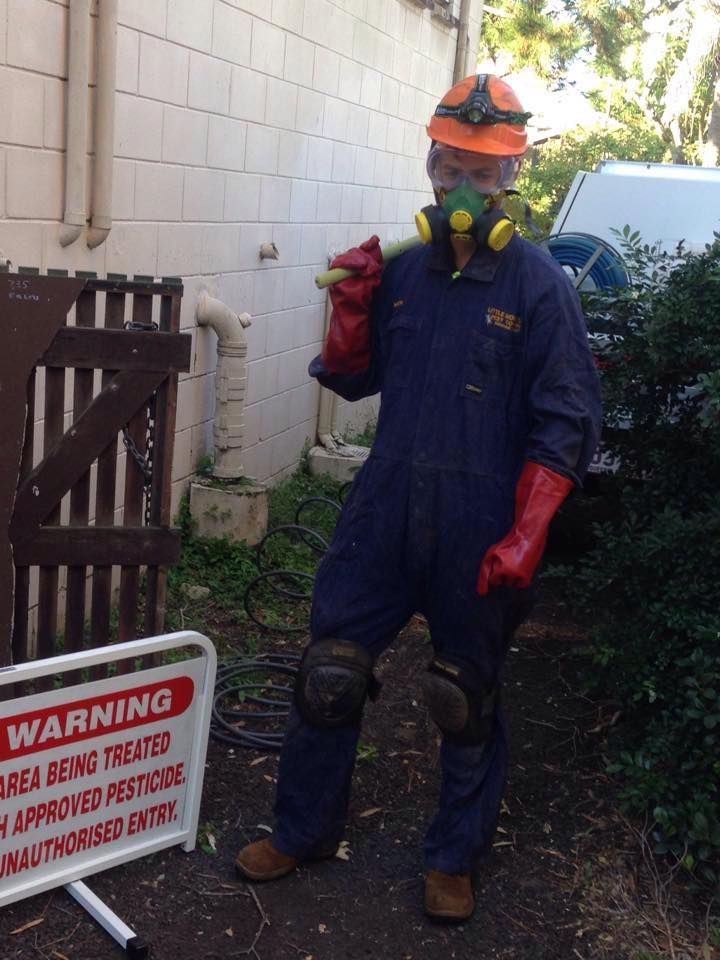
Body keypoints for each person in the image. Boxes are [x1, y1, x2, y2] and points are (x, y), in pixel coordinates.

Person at [235, 74, 602, 922]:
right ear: (430, 165)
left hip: (481, 523)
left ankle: (453, 858)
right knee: (329, 674)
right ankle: (302, 830)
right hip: (386, 503)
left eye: (485, 169)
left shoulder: (540, 287)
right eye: (451, 165)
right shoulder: (404, 273)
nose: (464, 186)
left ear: (513, 177)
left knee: (462, 695)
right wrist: (352, 309)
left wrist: (528, 533)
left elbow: (567, 420)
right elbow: (356, 382)